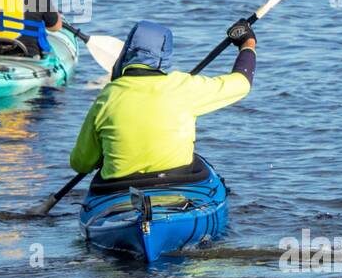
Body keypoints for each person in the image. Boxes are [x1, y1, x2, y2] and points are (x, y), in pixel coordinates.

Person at [69, 18, 256, 190]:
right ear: (164, 55)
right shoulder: (183, 86)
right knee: (202, 166)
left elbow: (81, 163)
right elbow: (242, 83)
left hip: (119, 189)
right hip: (176, 183)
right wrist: (247, 43)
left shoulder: (107, 97)